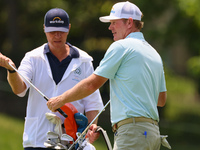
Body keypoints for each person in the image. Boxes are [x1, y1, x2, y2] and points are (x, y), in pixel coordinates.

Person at [47, 1, 167, 150]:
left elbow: (92, 84)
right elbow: (161, 100)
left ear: (129, 23)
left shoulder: (121, 46)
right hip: (152, 134)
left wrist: (61, 99)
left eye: (114, 23)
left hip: (132, 134)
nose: (110, 27)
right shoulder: (154, 54)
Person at [0, 8, 103, 150]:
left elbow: (92, 103)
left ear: (69, 28)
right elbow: (19, 90)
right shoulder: (32, 57)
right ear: (44, 29)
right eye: (52, 31)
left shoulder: (84, 60)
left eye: (61, 31)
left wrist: (90, 132)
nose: (57, 35)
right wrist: (11, 69)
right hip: (37, 140)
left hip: (71, 142)